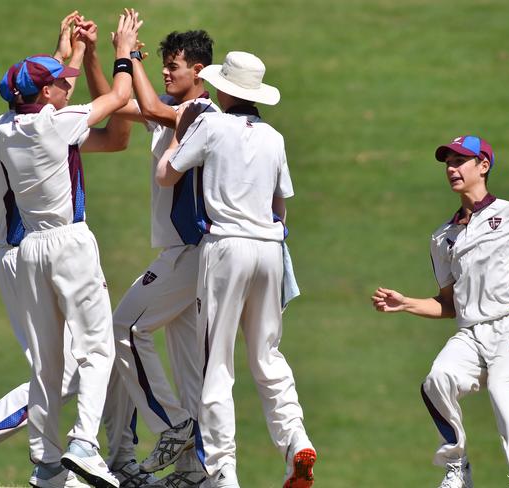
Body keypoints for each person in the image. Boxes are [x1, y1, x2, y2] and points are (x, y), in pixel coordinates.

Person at [0, 12, 137, 488]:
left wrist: (72, 52)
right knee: (97, 350)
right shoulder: (57, 124)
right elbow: (120, 98)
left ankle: (45, 463)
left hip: (28, 252)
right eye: (61, 83)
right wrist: (123, 50)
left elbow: (37, 91)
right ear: (46, 95)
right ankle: (84, 445)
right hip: (59, 244)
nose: (68, 87)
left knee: (49, 366)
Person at [155, 51, 316, 488]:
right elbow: (280, 207)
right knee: (267, 353)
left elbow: (166, 175)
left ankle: (223, 470)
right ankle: (296, 439)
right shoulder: (275, 137)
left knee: (216, 364)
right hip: (269, 248)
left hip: (225, 246)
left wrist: (177, 134)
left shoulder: (210, 124)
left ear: (224, 90)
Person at [82, 18, 217, 487]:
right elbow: (119, 106)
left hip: (191, 251)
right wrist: (99, 59)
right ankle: (194, 470)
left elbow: (152, 105)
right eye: (159, 66)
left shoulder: (201, 111)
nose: (165, 72)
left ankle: (172, 426)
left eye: (173, 67)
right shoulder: (170, 108)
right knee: (187, 365)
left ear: (198, 71)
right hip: (184, 253)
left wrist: (129, 57)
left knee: (123, 329)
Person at [372, 135, 509, 488]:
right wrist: (405, 303)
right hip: (470, 332)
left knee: (502, 393)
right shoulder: (443, 237)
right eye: (448, 163)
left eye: (460, 161)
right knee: (437, 380)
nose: (452, 168)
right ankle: (457, 467)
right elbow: (448, 304)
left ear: (483, 165)